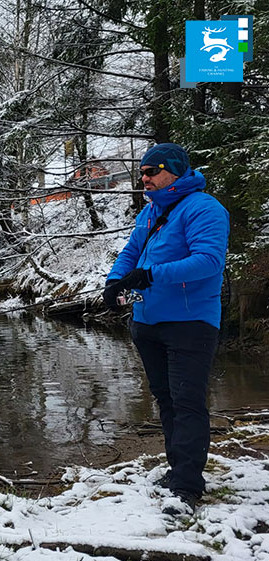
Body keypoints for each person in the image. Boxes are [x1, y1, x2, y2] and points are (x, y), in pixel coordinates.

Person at [102, 142, 229, 515]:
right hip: (147, 322)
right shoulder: (150, 212)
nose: (145, 178)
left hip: (191, 323)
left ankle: (188, 486)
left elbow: (207, 262)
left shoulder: (205, 209)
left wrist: (151, 274)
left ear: (175, 171)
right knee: (166, 399)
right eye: (142, 172)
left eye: (152, 171)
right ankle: (178, 470)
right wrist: (115, 282)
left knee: (188, 400)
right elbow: (130, 252)